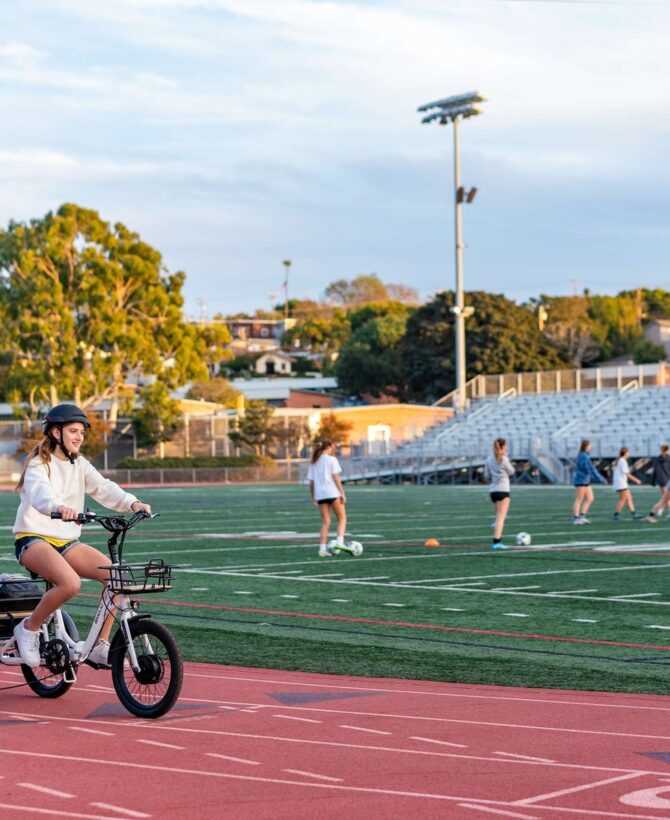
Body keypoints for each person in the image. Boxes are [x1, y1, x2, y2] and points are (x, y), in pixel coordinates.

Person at [12, 404, 151, 668]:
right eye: (73, 431)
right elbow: (41, 493)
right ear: (55, 433)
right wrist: (58, 508)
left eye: (81, 433)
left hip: (66, 542)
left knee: (117, 577)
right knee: (70, 583)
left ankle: (99, 644)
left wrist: (133, 503)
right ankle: (28, 629)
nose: (79, 437)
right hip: (33, 539)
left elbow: (104, 487)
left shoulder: (80, 465)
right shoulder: (38, 465)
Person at [307, 439, 347, 557]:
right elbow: (336, 477)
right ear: (328, 447)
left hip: (321, 495)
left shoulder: (314, 462)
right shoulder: (332, 459)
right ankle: (339, 542)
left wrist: (313, 496)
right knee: (342, 518)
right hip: (333, 493)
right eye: (332, 447)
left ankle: (322, 549)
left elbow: (311, 482)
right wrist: (342, 493)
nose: (333, 449)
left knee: (326, 522)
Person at [484, 438, 515, 551]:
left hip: (493, 490)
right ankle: (497, 541)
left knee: (498, 516)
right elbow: (512, 471)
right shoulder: (503, 459)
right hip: (503, 489)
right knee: (501, 518)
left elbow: (486, 475)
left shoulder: (489, 459)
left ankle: (496, 528)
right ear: (503, 447)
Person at [572, 439, 606, 525]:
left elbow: (590, 469)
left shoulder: (584, 455)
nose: (591, 447)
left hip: (585, 480)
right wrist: (600, 479)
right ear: (586, 446)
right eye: (590, 445)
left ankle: (582, 517)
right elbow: (590, 469)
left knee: (590, 498)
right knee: (579, 499)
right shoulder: (584, 456)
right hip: (581, 480)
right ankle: (576, 519)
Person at [612, 447, 642, 520]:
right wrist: (636, 480)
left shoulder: (620, 460)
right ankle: (616, 515)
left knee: (629, 498)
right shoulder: (623, 461)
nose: (629, 454)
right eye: (628, 452)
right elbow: (627, 474)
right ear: (625, 453)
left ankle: (633, 513)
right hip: (621, 483)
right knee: (623, 499)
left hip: (621, 482)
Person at [650, 444, 670, 518]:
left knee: (665, 497)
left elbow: (655, 471)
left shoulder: (658, 458)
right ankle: (659, 510)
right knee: (665, 497)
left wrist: (653, 481)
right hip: (665, 479)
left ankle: (659, 510)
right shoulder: (667, 458)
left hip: (662, 479)